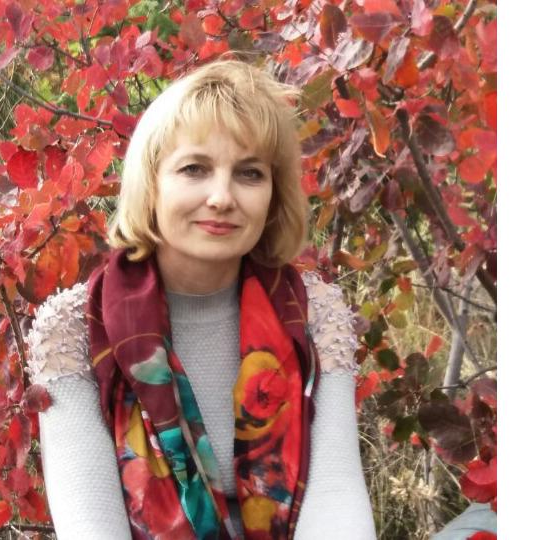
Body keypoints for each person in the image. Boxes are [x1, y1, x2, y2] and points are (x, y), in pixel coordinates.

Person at [26, 58, 377, 539]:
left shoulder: (314, 312)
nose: (221, 197)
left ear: (273, 195)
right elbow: (89, 524)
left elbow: (336, 497)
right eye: (194, 169)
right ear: (151, 183)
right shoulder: (73, 329)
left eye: (249, 174)